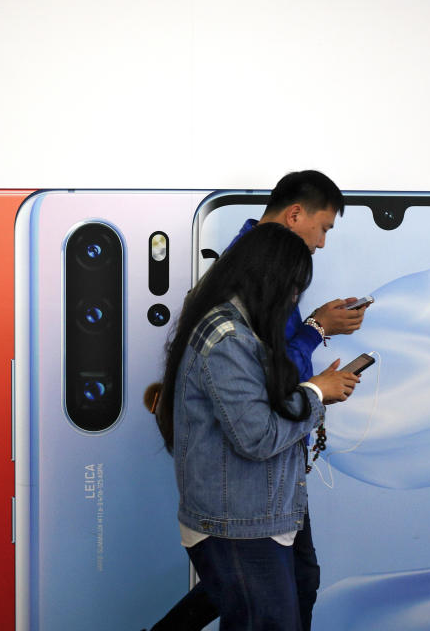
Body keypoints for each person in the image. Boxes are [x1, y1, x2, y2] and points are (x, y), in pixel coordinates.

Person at [150, 170, 370, 630]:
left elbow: (263, 384)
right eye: (323, 228)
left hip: (264, 499)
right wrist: (315, 366)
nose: (323, 242)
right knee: (262, 612)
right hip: (242, 510)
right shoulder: (229, 329)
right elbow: (257, 427)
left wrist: (314, 375)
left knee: (274, 595)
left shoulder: (246, 294)